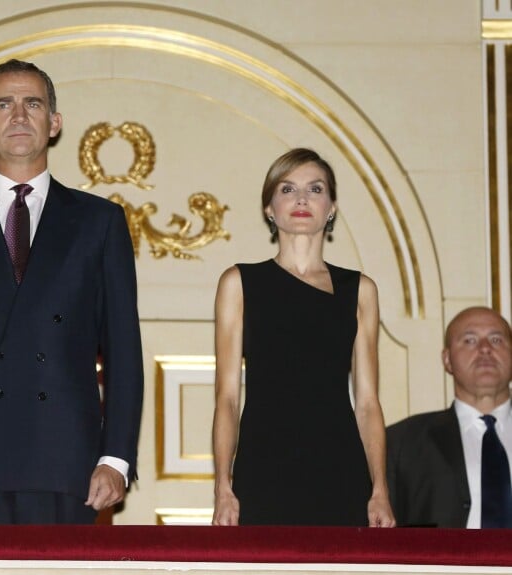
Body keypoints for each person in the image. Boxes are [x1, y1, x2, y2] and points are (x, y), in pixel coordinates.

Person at [0, 59, 144, 525]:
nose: (20, 115)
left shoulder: (98, 222)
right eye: (3, 104)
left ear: (55, 122)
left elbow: (124, 350)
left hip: (66, 460)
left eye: (34, 103)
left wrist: (116, 459)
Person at [212, 148, 395, 526]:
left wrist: (380, 491)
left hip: (340, 467)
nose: (301, 199)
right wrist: (222, 486)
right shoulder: (240, 283)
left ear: (331, 208)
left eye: (315, 189)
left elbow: (367, 403)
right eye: (287, 189)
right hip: (263, 466)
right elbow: (228, 397)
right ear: (269, 208)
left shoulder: (359, 290)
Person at [387, 306, 512, 528]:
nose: (485, 349)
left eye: (496, 340)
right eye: (469, 340)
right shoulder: (401, 443)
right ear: (447, 359)